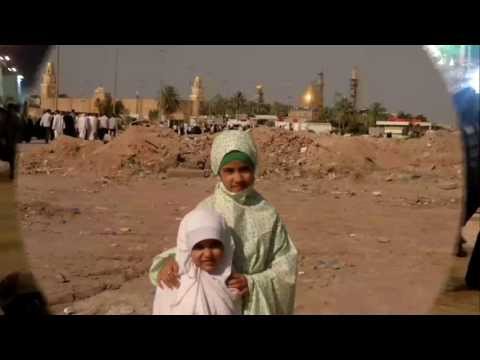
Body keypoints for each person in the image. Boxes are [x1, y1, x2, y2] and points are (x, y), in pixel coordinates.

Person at [150, 130, 298, 314]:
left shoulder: (268, 213)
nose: (237, 178)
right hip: (216, 301)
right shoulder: (207, 209)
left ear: (254, 169)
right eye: (229, 171)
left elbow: (285, 262)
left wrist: (254, 282)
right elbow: (189, 248)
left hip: (255, 302)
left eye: (244, 169)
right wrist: (171, 263)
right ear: (217, 171)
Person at [153, 208, 242, 315]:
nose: (208, 254)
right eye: (199, 247)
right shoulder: (171, 280)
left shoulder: (233, 281)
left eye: (214, 245)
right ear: (188, 248)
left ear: (225, 246)